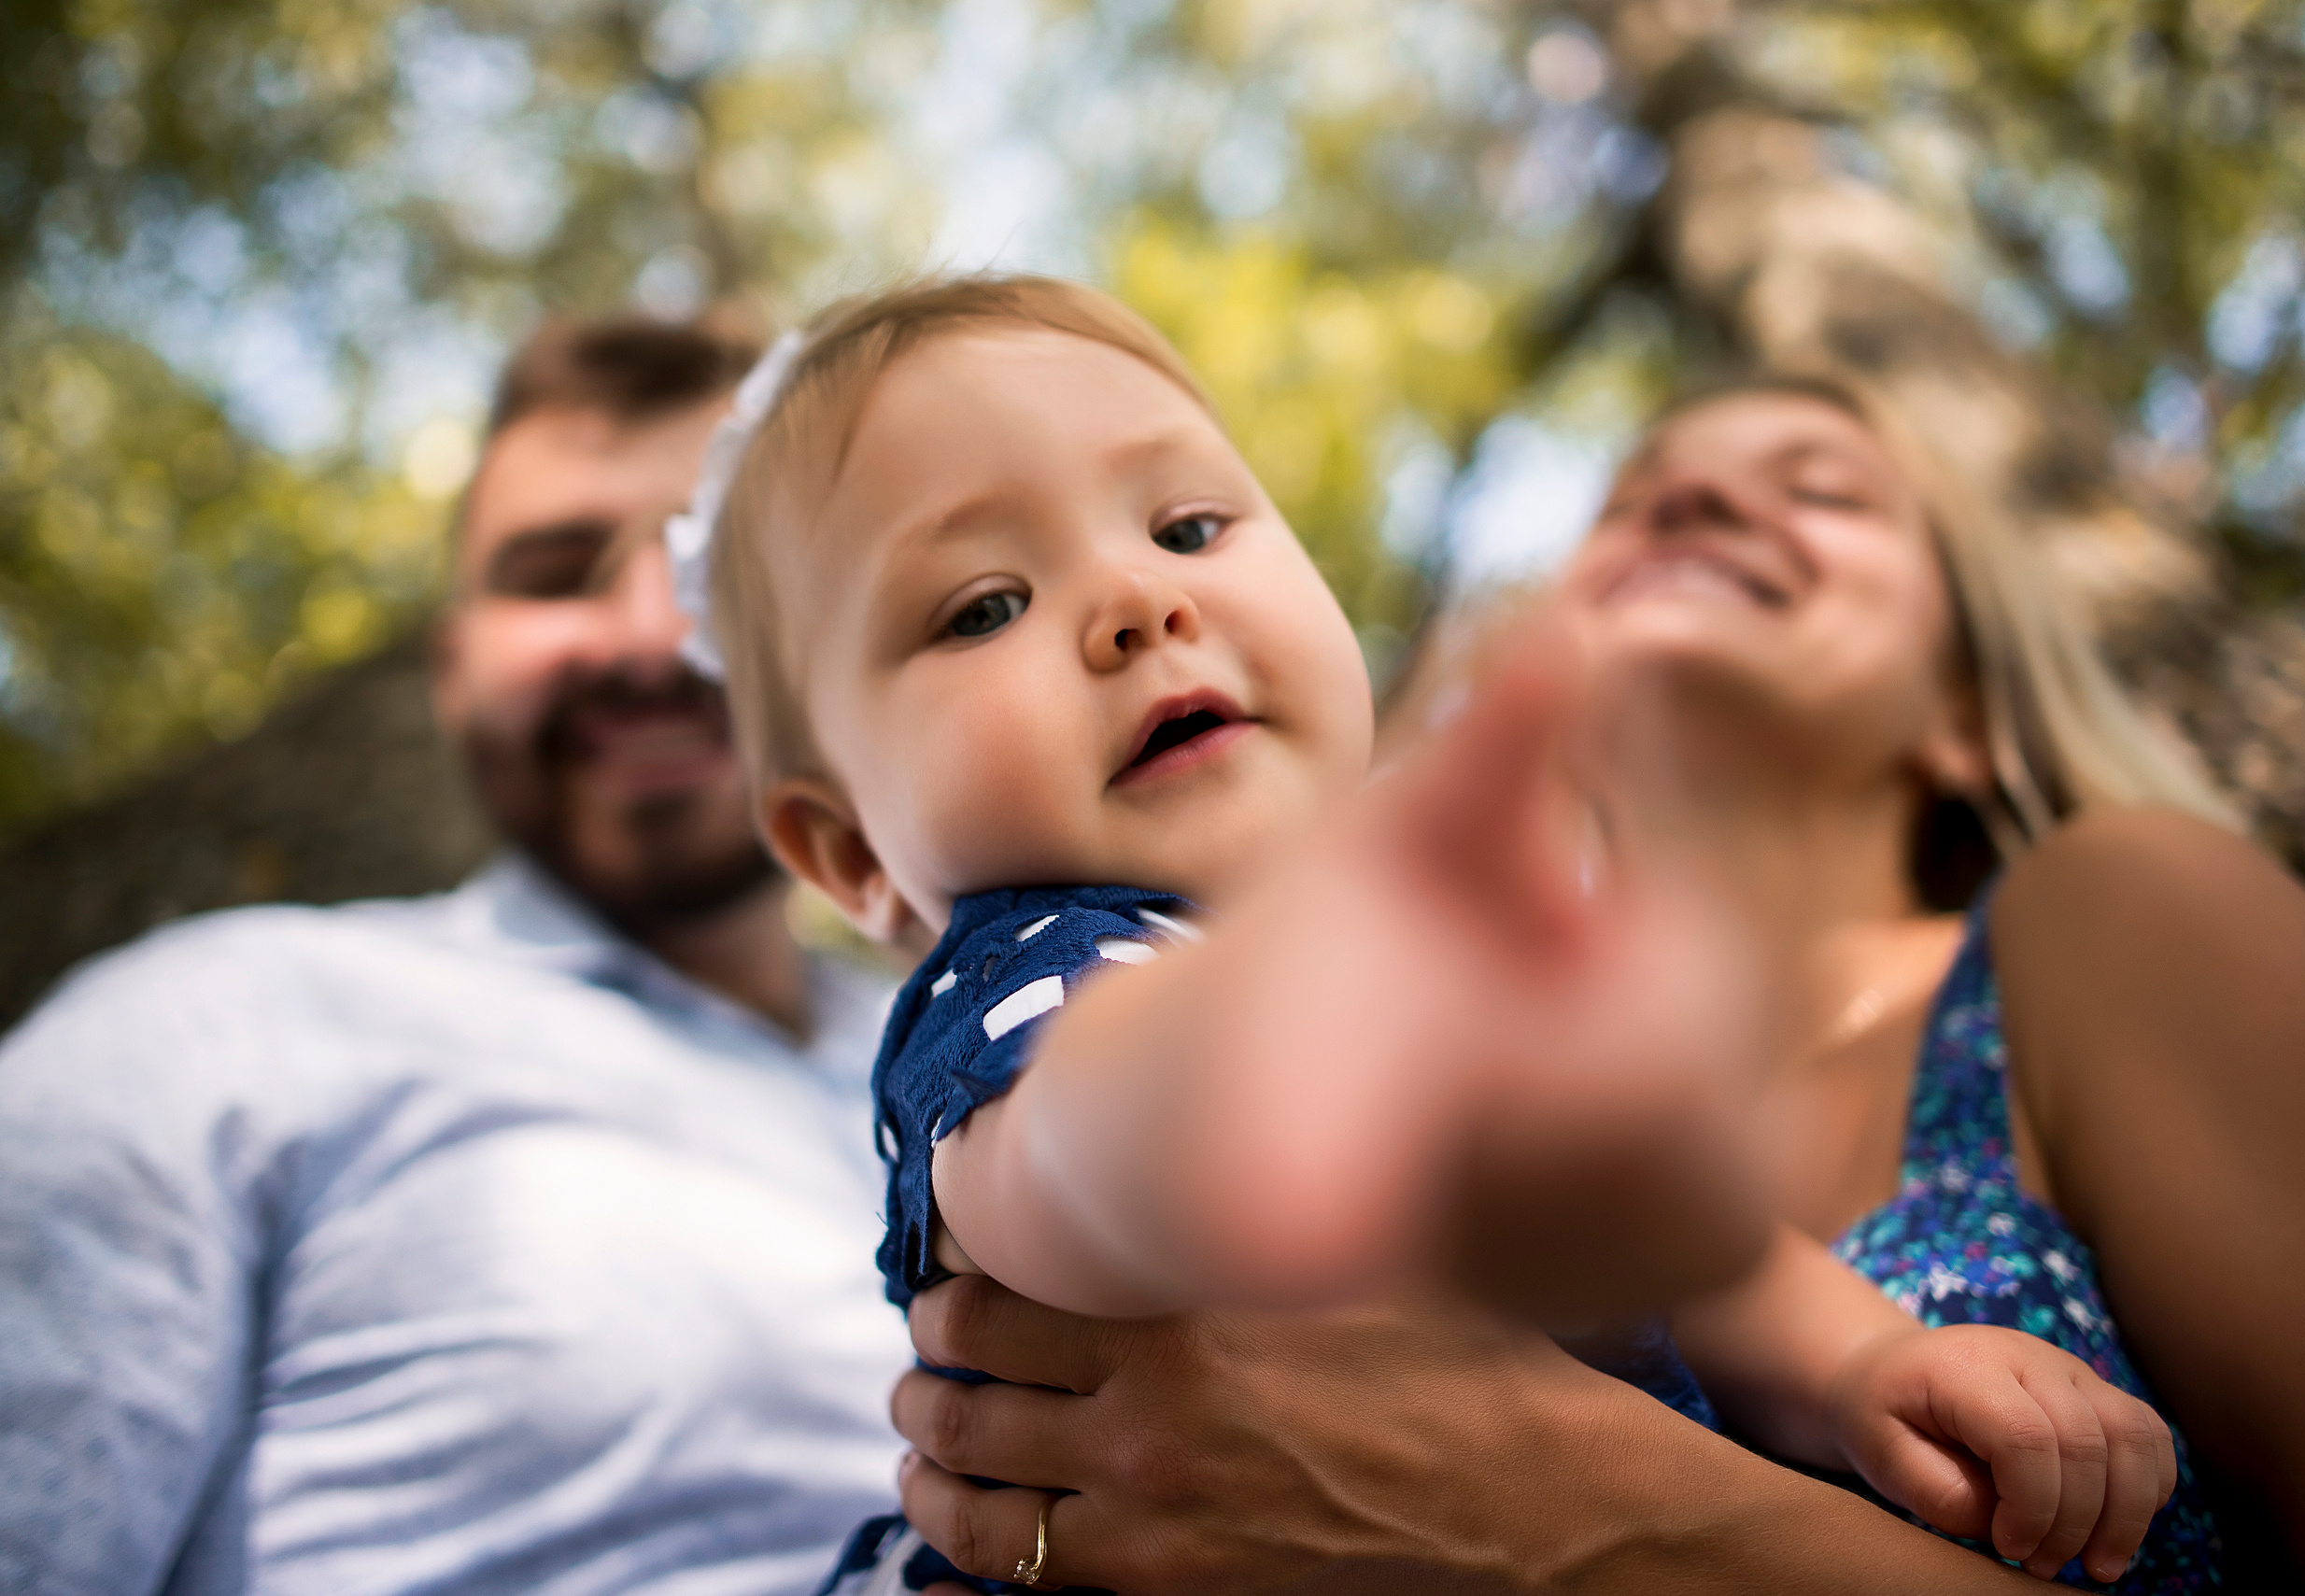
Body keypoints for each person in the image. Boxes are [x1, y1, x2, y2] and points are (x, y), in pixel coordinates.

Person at [685, 276, 2187, 1594]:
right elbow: (1100, 1160)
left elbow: (1659, 1234)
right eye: (981, 605)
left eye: (1189, 524)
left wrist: (1863, 1362)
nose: (1137, 599)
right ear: (851, 855)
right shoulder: (1030, 987)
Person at [0, 316, 913, 1596]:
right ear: (451, 672)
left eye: (727, 573)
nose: (654, 636)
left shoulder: (1034, 1064)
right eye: (554, 572)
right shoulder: (216, 1023)